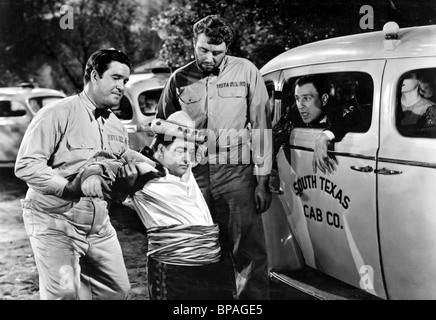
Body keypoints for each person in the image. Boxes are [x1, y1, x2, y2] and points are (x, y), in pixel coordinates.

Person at [156, 14, 273, 300]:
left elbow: (261, 126)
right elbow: (162, 129)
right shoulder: (178, 79)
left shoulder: (246, 71)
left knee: (248, 251)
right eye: (203, 50)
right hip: (195, 176)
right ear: (193, 44)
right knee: (202, 248)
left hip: (236, 174)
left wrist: (262, 180)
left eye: (217, 52)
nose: (209, 57)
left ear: (227, 49)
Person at [14, 48, 138, 300]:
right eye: (116, 78)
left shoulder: (116, 125)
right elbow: (27, 165)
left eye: (125, 80)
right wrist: (68, 188)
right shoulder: (56, 113)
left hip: (99, 225)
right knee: (64, 293)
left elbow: (118, 164)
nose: (122, 86)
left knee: (117, 291)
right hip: (54, 221)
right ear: (94, 76)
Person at [81, 111, 234, 300]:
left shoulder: (184, 169)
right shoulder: (144, 171)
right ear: (161, 150)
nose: (187, 159)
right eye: (180, 151)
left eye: (190, 152)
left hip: (209, 266)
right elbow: (105, 165)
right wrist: (94, 175)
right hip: (174, 270)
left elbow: (198, 148)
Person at [272, 74, 361, 175]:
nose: (300, 106)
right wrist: (272, 171)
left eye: (307, 98)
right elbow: (273, 136)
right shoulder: (294, 114)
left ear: (324, 99)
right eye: (297, 99)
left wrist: (324, 136)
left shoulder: (337, 110)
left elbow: (355, 115)